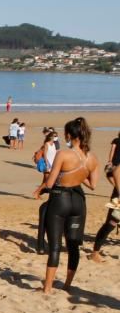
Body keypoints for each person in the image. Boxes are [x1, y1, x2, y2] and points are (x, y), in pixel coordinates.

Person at [31, 117, 99, 294]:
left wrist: (39, 190)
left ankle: (47, 288)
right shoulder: (92, 158)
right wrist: (77, 173)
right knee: (73, 245)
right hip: (78, 201)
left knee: (55, 245)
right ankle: (68, 285)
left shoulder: (63, 154)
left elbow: (51, 182)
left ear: (69, 135)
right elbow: (93, 185)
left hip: (60, 199)